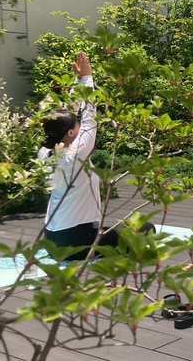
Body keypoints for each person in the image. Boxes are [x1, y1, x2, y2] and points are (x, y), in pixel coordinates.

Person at [39, 51, 154, 261]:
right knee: (146, 229)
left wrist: (78, 80)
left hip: (51, 240)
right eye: (77, 125)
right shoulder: (76, 155)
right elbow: (90, 115)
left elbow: (68, 113)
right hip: (75, 241)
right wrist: (88, 77)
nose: (81, 125)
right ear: (72, 133)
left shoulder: (45, 152)